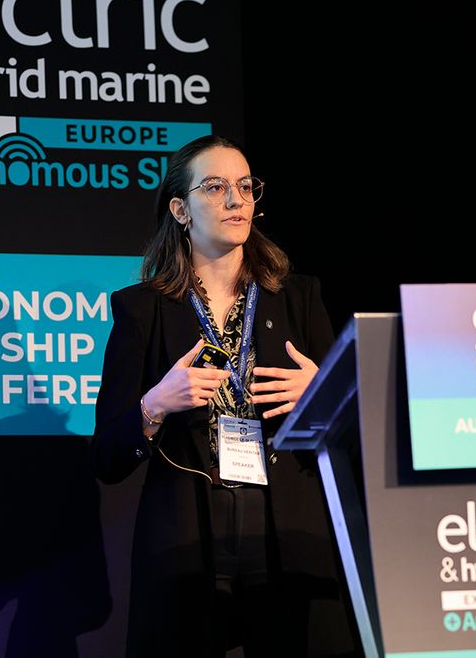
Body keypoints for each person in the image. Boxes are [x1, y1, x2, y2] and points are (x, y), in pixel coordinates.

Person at [92, 135, 356, 657]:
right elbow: (107, 458)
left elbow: (353, 437)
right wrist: (154, 404)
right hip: (189, 531)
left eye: (245, 186)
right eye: (215, 187)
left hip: (288, 525)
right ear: (180, 210)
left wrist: (323, 396)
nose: (236, 200)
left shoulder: (299, 297)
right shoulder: (142, 310)